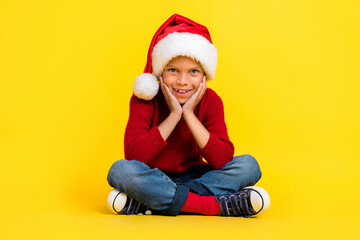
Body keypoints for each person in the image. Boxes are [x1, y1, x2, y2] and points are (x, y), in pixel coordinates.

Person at [106, 14, 270, 217]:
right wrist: (175, 114)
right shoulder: (144, 99)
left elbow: (222, 159)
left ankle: (151, 202)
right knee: (121, 171)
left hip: (196, 177)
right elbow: (134, 156)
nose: (182, 81)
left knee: (248, 166)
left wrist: (189, 115)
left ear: (204, 76)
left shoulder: (211, 100)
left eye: (193, 72)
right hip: (154, 176)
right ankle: (215, 206)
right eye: (173, 70)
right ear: (159, 73)